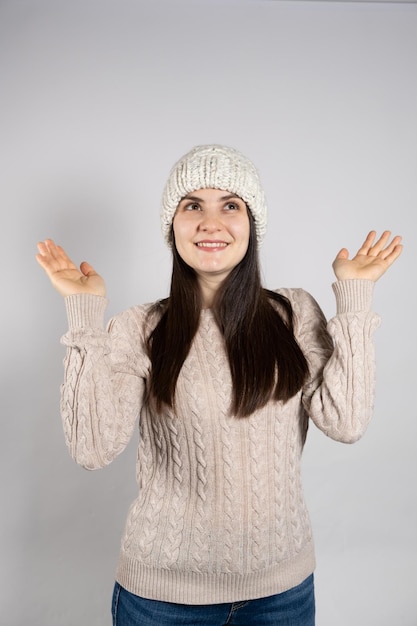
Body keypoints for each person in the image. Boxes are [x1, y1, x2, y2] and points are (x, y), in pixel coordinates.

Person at [36, 144, 402, 626]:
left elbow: (347, 421)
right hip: (161, 599)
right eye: (193, 206)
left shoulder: (293, 313)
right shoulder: (139, 327)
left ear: (252, 225)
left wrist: (355, 301)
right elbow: (92, 448)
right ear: (173, 227)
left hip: (281, 595)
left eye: (231, 205)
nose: (212, 223)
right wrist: (84, 317)